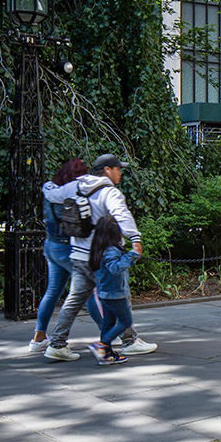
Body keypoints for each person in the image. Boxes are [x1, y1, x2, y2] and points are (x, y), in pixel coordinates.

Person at [44, 154, 157, 361]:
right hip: (104, 257)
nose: (120, 173)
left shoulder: (73, 186)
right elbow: (122, 215)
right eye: (118, 169)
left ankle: (56, 344)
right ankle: (130, 342)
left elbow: (53, 195)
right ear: (107, 170)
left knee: (74, 299)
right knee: (121, 295)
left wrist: (45, 186)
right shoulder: (109, 193)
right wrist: (135, 240)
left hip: (79, 255)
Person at [28, 158, 103, 352]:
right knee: (88, 292)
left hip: (50, 246)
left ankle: (39, 337)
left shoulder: (50, 190)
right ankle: (107, 333)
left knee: (52, 291)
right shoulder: (72, 193)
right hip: (68, 249)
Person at [87, 214, 141, 365]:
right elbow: (115, 268)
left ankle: (106, 355)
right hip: (114, 294)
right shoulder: (111, 251)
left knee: (108, 324)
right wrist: (131, 255)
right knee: (126, 321)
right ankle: (102, 346)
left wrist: (129, 258)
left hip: (105, 292)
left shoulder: (100, 248)